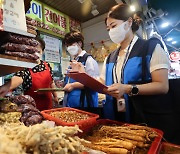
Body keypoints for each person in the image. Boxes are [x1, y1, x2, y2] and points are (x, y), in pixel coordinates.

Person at [70, 4, 170, 123]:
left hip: (142, 116)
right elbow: (102, 83)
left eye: (113, 26)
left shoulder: (150, 48)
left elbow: (162, 86)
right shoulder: (111, 57)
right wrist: (83, 76)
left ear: (128, 22)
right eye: (108, 29)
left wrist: (128, 89)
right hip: (114, 115)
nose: (111, 32)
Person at [0, 37, 59, 111]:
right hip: (32, 107)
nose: (35, 54)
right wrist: (6, 87)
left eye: (38, 51)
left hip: (48, 104)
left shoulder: (47, 65)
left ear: (42, 52)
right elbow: (19, 77)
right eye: (32, 51)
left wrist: (55, 96)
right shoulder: (26, 67)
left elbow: (51, 82)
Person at [63, 30, 99, 108]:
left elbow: (94, 83)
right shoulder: (74, 61)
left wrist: (73, 85)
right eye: (67, 45)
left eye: (71, 44)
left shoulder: (88, 60)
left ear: (79, 43)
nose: (69, 48)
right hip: (72, 103)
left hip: (85, 103)